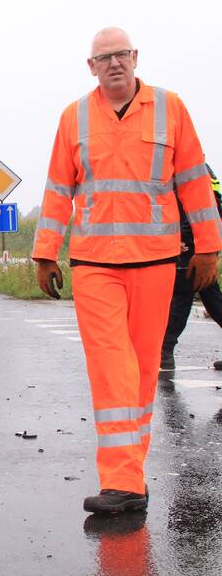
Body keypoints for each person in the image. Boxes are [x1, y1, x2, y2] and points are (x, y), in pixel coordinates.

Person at [32, 27, 221, 515]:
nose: (114, 63)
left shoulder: (170, 108)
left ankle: (130, 479)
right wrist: (45, 251)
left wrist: (208, 247)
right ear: (90, 67)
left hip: (157, 262)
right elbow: (58, 189)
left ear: (135, 58)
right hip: (95, 264)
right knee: (110, 364)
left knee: (139, 368)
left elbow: (195, 182)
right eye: (103, 57)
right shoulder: (73, 117)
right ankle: (121, 479)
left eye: (121, 55)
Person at [160, 165, 222, 371]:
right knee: (212, 298)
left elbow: (197, 210)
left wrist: (184, 241)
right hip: (204, 242)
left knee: (182, 295)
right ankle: (165, 351)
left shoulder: (187, 168)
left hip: (195, 245)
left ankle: (165, 351)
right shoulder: (199, 169)